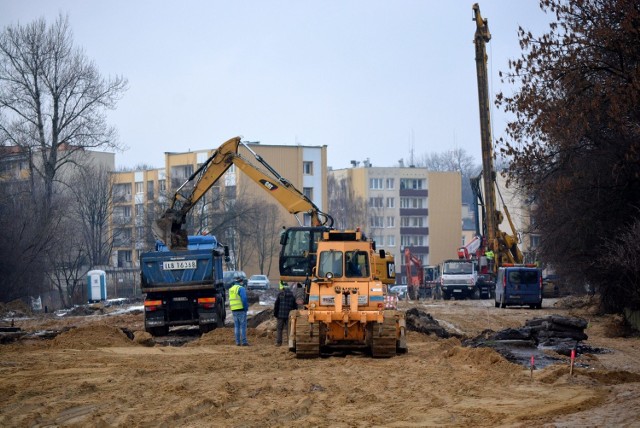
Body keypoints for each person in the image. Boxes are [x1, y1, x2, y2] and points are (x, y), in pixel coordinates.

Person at [273, 280, 297, 347]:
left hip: (280, 315)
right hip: (289, 315)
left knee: (279, 329)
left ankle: (279, 342)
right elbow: (295, 306)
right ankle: (289, 343)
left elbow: (276, 305)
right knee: (288, 329)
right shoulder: (292, 295)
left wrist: (275, 314)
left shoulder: (280, 295)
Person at [229, 274, 249, 346]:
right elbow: (244, 299)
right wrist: (246, 308)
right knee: (242, 326)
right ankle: (244, 342)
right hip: (241, 309)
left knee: (236, 326)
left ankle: (237, 342)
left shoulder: (231, 289)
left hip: (234, 310)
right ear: (241, 281)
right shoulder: (241, 288)